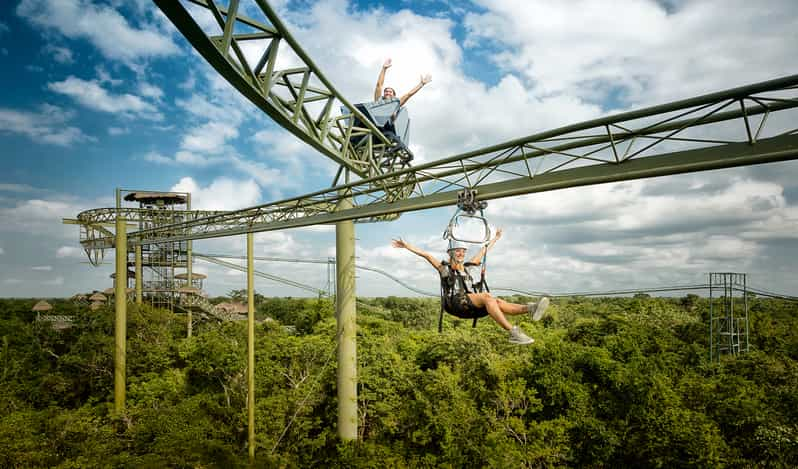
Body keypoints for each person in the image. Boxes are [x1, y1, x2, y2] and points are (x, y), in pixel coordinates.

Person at [392, 228, 550, 344]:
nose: (461, 253)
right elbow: (426, 255)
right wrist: (406, 245)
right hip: (456, 304)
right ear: (450, 253)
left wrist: (496, 238)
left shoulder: (468, 267)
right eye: (458, 251)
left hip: (470, 305)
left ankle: (530, 309)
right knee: (488, 297)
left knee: (497, 301)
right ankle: (513, 332)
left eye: (463, 251)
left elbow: (483, 251)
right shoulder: (444, 269)